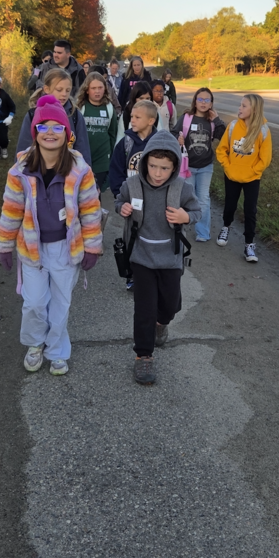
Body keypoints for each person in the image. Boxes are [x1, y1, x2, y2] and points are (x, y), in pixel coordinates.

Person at [0, 95, 102, 376]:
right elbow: (11, 210)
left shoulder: (80, 171)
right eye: (43, 127)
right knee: (34, 302)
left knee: (60, 303)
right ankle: (35, 344)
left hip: (66, 247)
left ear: (67, 133)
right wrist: (4, 245)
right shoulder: (20, 171)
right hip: (32, 248)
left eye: (57, 127)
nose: (50, 133)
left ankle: (57, 350)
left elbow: (90, 211)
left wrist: (93, 247)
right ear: (35, 133)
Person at [116, 131, 201, 385]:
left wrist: (186, 217)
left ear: (174, 167)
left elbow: (196, 211)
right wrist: (123, 208)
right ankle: (143, 355)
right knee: (144, 308)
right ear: (145, 163)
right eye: (152, 166)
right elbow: (120, 200)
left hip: (170, 258)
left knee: (170, 305)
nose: (157, 173)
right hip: (141, 256)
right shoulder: (132, 185)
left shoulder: (182, 189)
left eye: (164, 168)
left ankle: (161, 323)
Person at [109, 98, 159, 291]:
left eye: (138, 117)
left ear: (151, 120)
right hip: (132, 202)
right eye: (132, 116)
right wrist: (120, 197)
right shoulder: (126, 143)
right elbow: (116, 171)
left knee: (152, 237)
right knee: (132, 238)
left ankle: (151, 273)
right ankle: (131, 274)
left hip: (154, 200)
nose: (132, 120)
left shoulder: (159, 144)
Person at [215, 93, 272, 263]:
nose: (239, 108)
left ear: (254, 110)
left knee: (250, 210)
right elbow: (221, 150)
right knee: (230, 205)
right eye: (240, 105)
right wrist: (228, 166)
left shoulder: (263, 130)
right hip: (232, 175)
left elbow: (265, 158)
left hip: (252, 178)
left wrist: (254, 171)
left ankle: (249, 244)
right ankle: (226, 227)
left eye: (244, 106)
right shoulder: (233, 126)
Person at [173, 87, 226, 242]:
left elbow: (224, 136)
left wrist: (217, 120)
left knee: (203, 198)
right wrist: (178, 138)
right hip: (188, 166)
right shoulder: (186, 117)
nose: (203, 103)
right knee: (189, 197)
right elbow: (174, 132)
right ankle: (182, 225)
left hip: (205, 166)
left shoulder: (212, 121)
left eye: (207, 100)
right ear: (195, 101)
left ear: (211, 103)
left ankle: (202, 232)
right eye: (200, 99)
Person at [16, 68, 91, 162]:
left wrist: (85, 169)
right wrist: (20, 169)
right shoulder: (33, 115)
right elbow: (23, 148)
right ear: (47, 89)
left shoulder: (75, 115)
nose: (64, 94)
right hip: (39, 168)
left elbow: (83, 149)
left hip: (68, 168)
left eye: (68, 90)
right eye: (59, 90)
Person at [76, 70, 118, 193]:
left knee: (96, 193)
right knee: (82, 193)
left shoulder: (109, 108)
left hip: (102, 160)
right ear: (87, 90)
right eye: (93, 88)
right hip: (83, 158)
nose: (97, 91)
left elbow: (112, 134)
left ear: (105, 89)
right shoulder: (80, 108)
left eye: (100, 88)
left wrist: (111, 158)